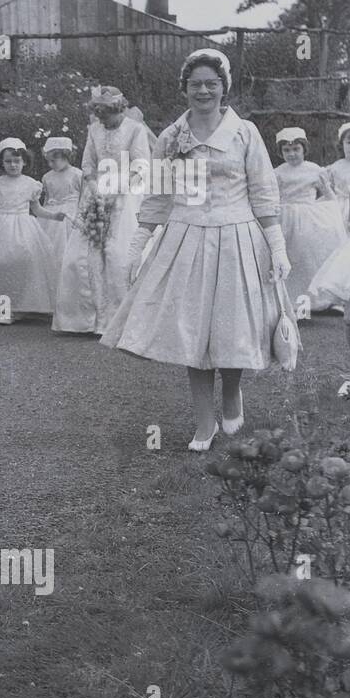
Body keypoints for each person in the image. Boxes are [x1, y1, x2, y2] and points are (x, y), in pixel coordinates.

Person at [100, 49, 288, 450]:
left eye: (211, 83)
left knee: (233, 328)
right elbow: (158, 197)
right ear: (184, 89)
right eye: (195, 84)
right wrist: (137, 248)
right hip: (186, 240)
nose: (203, 90)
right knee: (192, 333)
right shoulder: (171, 137)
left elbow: (264, 195)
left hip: (237, 240)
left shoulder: (245, 133)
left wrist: (277, 247)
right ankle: (205, 423)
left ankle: (232, 392)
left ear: (224, 88)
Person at [52, 86, 151, 335]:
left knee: (118, 255)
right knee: (82, 257)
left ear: (117, 110)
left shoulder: (135, 130)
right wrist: (94, 185)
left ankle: (120, 321)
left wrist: (116, 187)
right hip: (96, 195)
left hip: (125, 196)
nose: (102, 119)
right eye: (98, 114)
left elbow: (141, 165)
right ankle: (88, 320)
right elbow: (88, 162)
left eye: (106, 114)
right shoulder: (94, 130)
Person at [0, 137, 64, 324]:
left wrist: (53, 216)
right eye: (8, 161)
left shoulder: (31, 184)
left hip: (24, 228)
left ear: (24, 161)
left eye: (17, 161)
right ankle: (4, 310)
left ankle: (22, 306)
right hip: (1, 229)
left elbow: (36, 209)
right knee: (0, 266)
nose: (13, 165)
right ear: (1, 163)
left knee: (26, 264)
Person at [272, 127, 345, 311]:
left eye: (296, 149)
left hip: (309, 216)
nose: (292, 154)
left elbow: (328, 194)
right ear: (281, 153)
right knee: (292, 256)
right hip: (286, 217)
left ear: (304, 149)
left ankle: (320, 298)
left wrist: (331, 203)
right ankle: (292, 298)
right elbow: (275, 196)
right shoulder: (278, 173)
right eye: (286, 150)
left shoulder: (315, 170)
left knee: (312, 256)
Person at [38, 136, 82, 278]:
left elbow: (83, 198)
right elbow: (47, 199)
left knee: (69, 251)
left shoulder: (77, 174)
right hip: (52, 217)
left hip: (71, 214)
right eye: (48, 161)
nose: (51, 164)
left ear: (66, 156)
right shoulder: (47, 177)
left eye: (54, 160)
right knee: (51, 250)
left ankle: (69, 280)